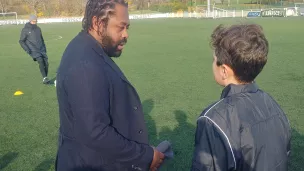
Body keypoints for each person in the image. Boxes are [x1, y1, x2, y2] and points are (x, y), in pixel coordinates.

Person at [55, 0, 164, 170]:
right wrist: (145, 156)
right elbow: (95, 132)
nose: (126, 34)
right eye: (120, 27)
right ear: (98, 23)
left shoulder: (89, 50)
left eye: (127, 27)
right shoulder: (85, 64)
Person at [191, 24, 291, 171]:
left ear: (224, 70)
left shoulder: (212, 120)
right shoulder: (273, 105)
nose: (212, 64)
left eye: (214, 60)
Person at [19, 14, 50, 84]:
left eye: (35, 21)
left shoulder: (38, 29)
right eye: (33, 21)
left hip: (41, 49)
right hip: (33, 49)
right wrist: (27, 50)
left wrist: (44, 48)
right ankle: (45, 77)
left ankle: (45, 77)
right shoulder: (25, 30)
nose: (34, 23)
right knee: (41, 61)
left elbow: (42, 39)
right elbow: (21, 41)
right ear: (30, 21)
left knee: (46, 64)